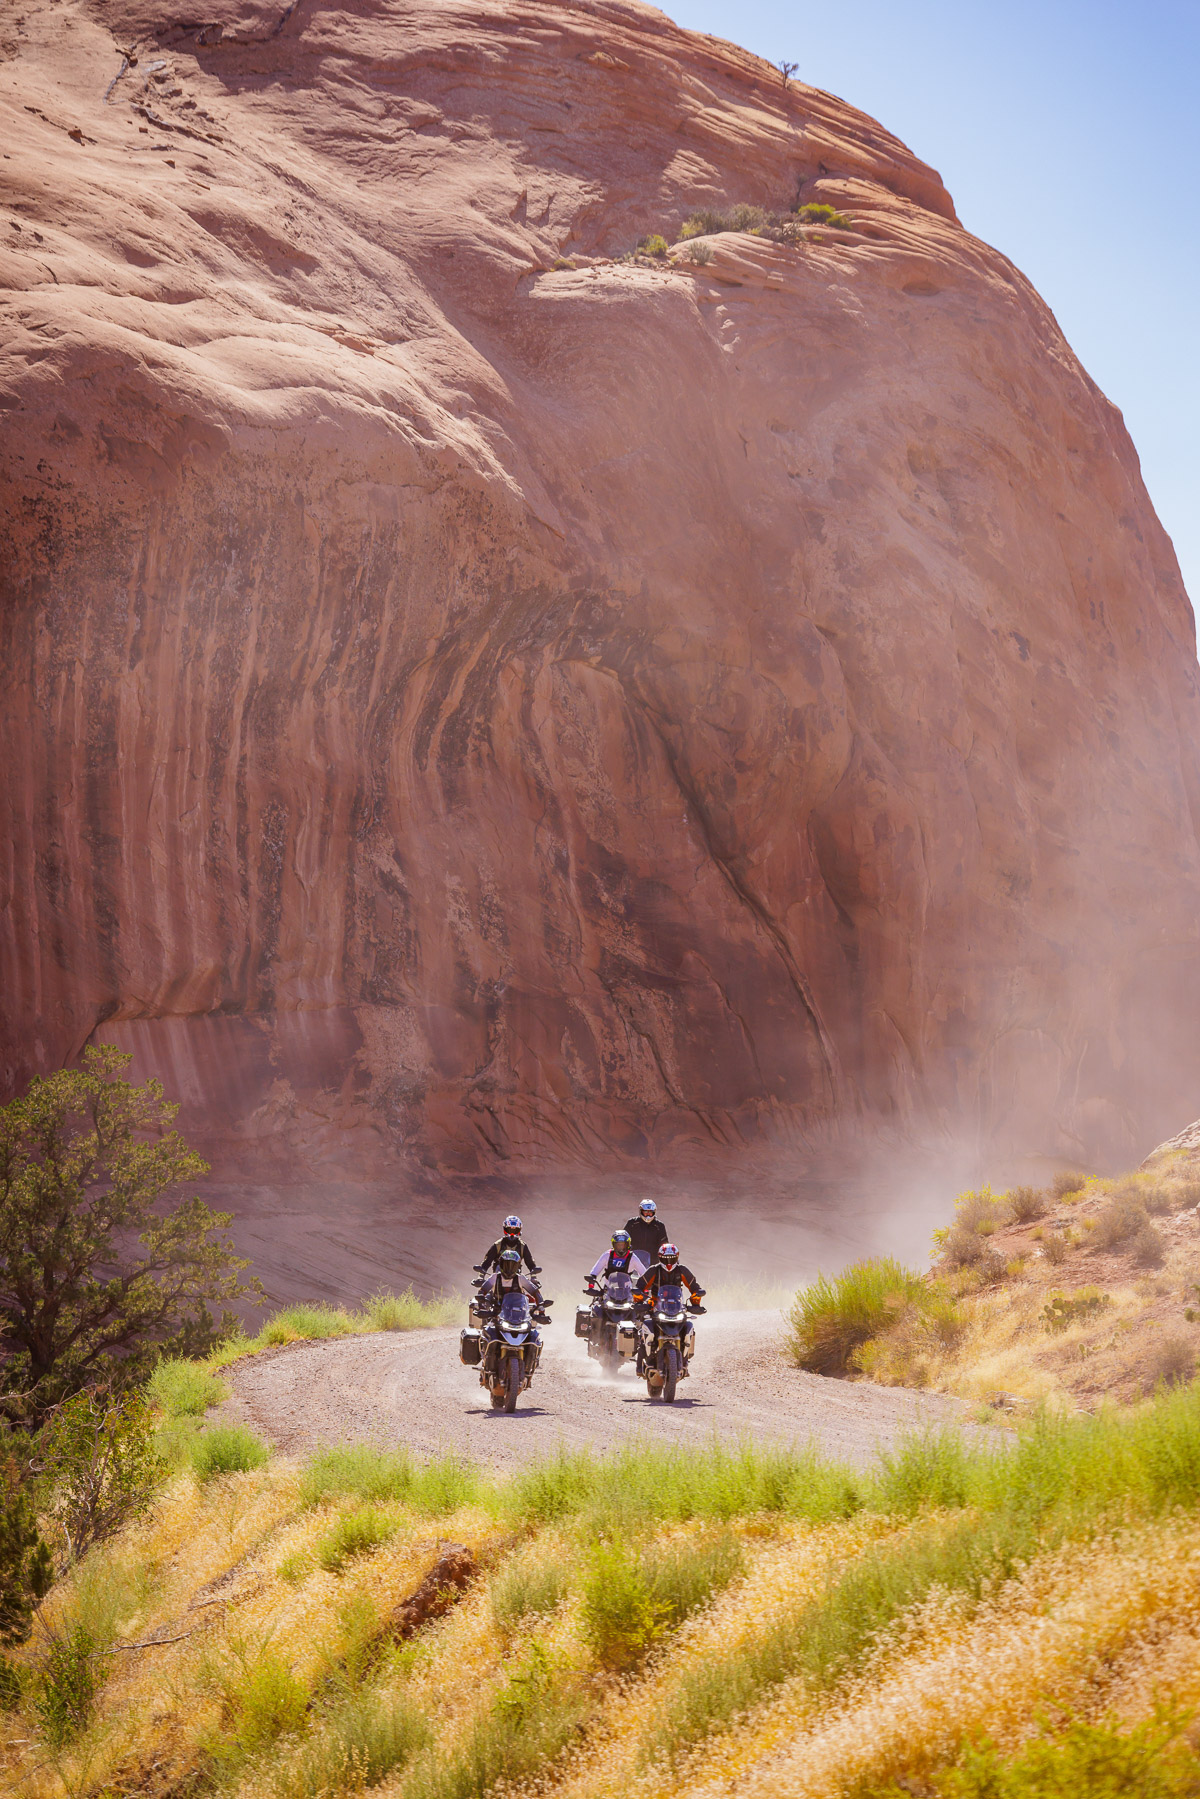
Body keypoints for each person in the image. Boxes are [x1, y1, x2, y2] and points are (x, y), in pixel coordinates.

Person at [478, 1245, 549, 1319]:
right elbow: (482, 1291)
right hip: (497, 1316)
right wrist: (482, 1308)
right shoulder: (495, 1277)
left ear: (517, 1267)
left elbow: (536, 1292)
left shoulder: (521, 1278)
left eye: (513, 1266)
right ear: (501, 1265)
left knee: (533, 1329)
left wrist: (541, 1312)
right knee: (489, 1329)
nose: (509, 1269)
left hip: (520, 1317)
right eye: (506, 1265)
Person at [477, 1215, 540, 1280]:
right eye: (510, 1230)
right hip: (497, 1277)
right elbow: (487, 1261)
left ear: (519, 1230)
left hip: (517, 1277)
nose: (512, 1234)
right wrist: (480, 1277)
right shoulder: (498, 1245)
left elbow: (530, 1262)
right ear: (505, 1229)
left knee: (533, 1289)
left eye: (515, 1231)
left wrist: (534, 1278)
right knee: (483, 1289)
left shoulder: (522, 1246)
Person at [624, 1197, 668, 1267]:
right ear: (641, 1211)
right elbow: (623, 1240)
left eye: (650, 1213)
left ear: (654, 1212)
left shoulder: (659, 1226)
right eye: (645, 1212)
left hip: (653, 1263)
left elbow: (664, 1244)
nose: (648, 1215)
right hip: (633, 1260)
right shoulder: (632, 1223)